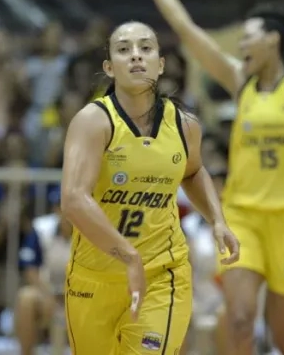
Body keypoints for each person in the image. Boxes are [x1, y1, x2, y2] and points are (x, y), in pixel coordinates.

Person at [127, 0, 284, 354]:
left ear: (274, 40)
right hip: (243, 217)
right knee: (238, 320)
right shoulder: (241, 82)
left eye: (249, 38)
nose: (240, 45)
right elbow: (186, 30)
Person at [60, 21, 239, 354]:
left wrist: (217, 219)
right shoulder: (92, 121)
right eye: (124, 50)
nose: (136, 56)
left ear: (161, 64)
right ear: (109, 68)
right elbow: (73, 200)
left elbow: (194, 170)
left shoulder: (185, 126)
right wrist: (128, 257)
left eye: (146, 48)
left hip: (162, 273)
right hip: (93, 275)